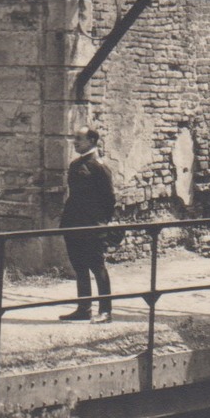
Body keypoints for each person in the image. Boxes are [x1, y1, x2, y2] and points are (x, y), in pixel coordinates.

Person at [59, 127, 116, 323]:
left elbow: (109, 199)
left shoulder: (99, 166)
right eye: (74, 138)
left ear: (92, 141)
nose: (75, 142)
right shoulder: (76, 164)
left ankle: (106, 311)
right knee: (79, 266)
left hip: (92, 226)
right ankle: (84, 308)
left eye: (79, 139)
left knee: (97, 266)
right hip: (73, 224)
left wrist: (101, 224)